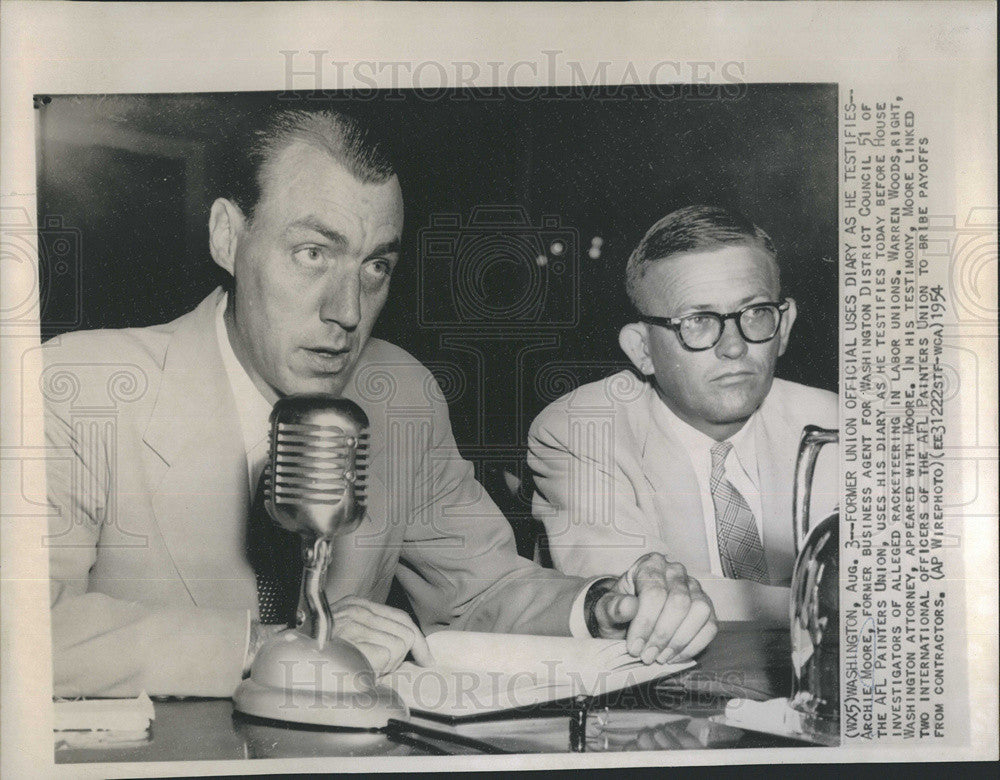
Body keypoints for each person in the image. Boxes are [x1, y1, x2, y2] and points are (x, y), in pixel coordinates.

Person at [43, 110, 716, 699]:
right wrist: (269, 647)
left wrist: (604, 606)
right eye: (312, 253)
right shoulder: (82, 385)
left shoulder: (402, 394)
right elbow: (25, 628)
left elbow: (483, 590)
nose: (347, 311)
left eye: (375, 267)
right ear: (228, 237)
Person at [527, 205, 838, 620]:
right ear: (642, 349)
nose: (733, 347)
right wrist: (827, 604)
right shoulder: (582, 430)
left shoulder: (836, 426)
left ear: (783, 326)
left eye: (756, 313)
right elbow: (641, 600)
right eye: (697, 321)